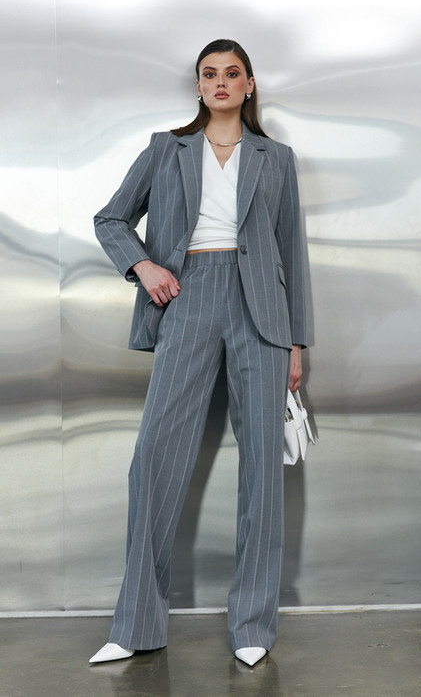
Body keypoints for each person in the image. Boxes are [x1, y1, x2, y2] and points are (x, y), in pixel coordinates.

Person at [89, 38, 307, 667]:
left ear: (249, 84)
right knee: (155, 456)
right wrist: (143, 266)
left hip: (262, 309)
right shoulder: (166, 149)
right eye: (209, 74)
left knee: (262, 467)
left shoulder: (276, 157)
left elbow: (291, 250)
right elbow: (110, 219)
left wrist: (295, 342)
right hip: (187, 297)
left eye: (231, 73)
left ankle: (253, 625)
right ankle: (136, 624)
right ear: (198, 86)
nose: (220, 82)